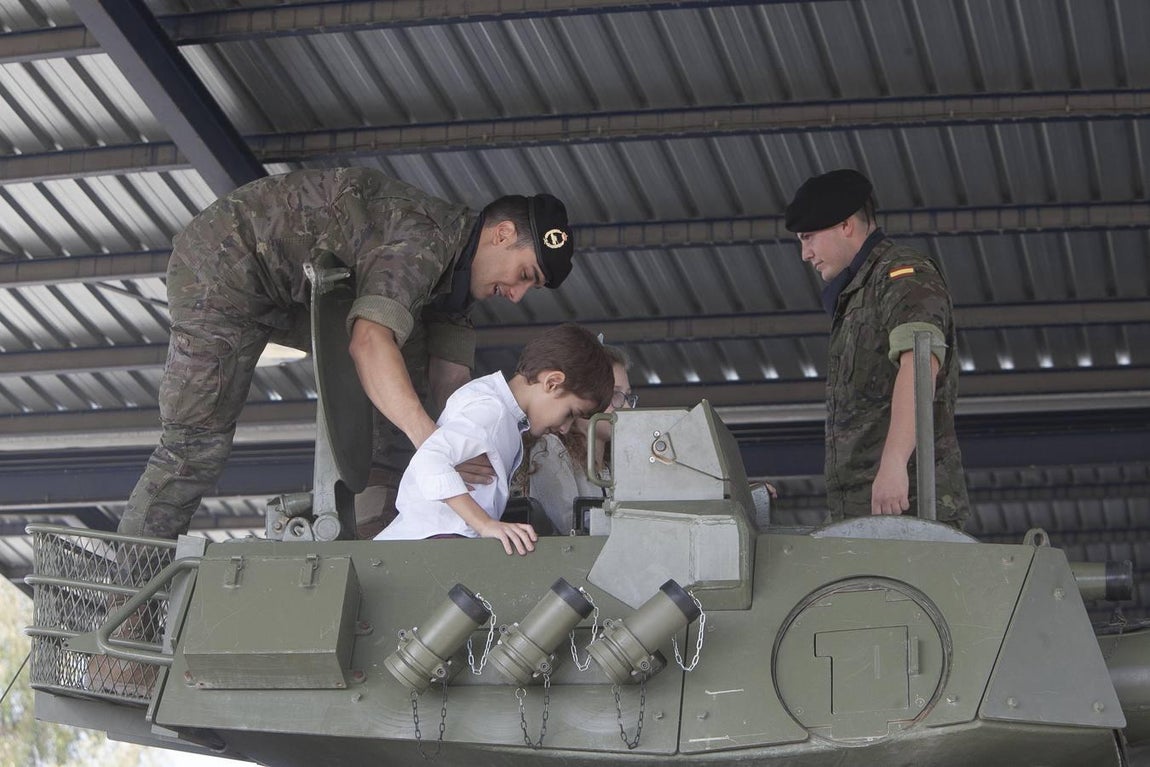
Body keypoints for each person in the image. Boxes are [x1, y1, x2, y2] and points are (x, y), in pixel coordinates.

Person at [120, 167, 577, 541]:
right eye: (523, 274)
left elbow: (450, 392)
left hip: (299, 292)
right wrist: (436, 446)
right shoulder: (422, 242)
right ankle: (128, 613)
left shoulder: (453, 299)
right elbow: (368, 341)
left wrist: (465, 449)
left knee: (406, 403)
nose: (516, 295)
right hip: (225, 265)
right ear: (501, 234)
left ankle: (377, 536)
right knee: (195, 445)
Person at [784, 168, 970, 528]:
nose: (805, 253)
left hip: (910, 507)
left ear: (845, 225)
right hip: (866, 512)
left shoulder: (901, 276)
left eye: (809, 237)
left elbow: (920, 364)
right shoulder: (857, 294)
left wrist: (894, 462)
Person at [375, 323, 614, 555]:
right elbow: (430, 459)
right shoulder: (492, 411)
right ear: (552, 382)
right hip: (436, 540)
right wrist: (485, 525)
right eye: (570, 414)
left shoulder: (505, 417)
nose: (565, 428)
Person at [514, 343, 635, 533]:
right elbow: (570, 525)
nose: (626, 408)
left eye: (627, 397)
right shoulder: (550, 448)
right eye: (614, 395)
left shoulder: (615, 465)